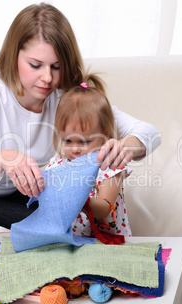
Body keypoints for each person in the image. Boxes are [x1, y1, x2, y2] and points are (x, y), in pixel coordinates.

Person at [0, 3, 161, 244]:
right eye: (35, 65)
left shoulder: (63, 96)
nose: (47, 78)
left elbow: (149, 132)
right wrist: (1, 159)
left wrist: (128, 146)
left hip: (10, 195)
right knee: (59, 227)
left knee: (69, 218)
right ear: (13, 55)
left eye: (56, 66)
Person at [46, 74, 132, 238]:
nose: (75, 149)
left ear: (104, 135)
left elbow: (104, 208)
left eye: (84, 142)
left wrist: (81, 202)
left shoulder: (110, 165)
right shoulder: (58, 163)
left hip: (109, 244)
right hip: (71, 242)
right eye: (68, 140)